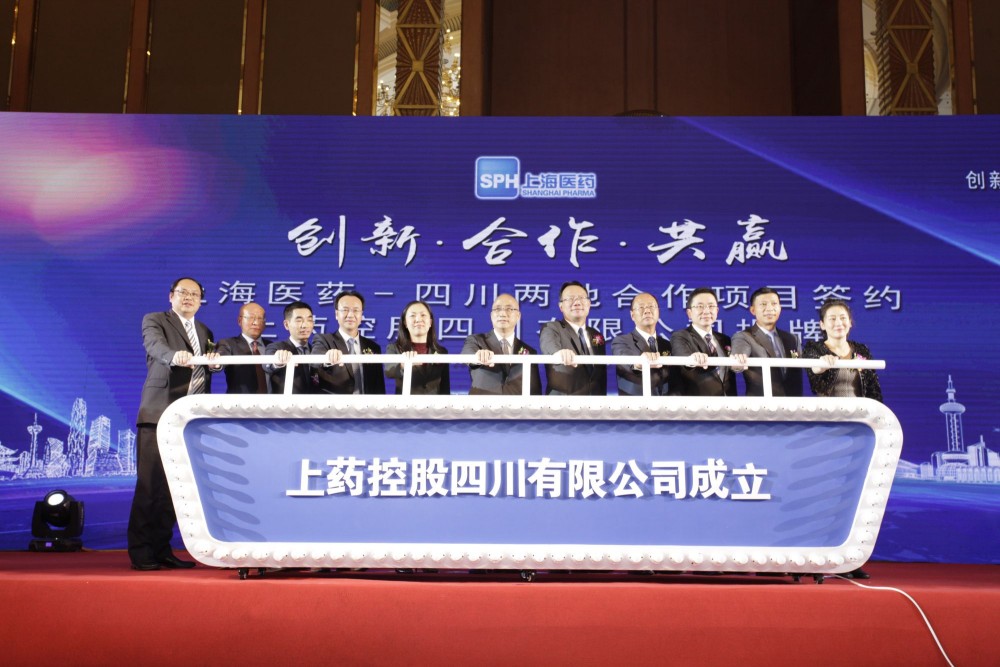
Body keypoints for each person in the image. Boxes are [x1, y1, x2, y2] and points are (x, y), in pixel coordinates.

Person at [128, 277, 218, 570]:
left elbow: (202, 369)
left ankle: (162, 549)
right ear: (171, 296)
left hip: (188, 420)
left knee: (175, 487)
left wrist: (214, 364)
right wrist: (174, 356)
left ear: (201, 301)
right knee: (150, 485)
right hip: (159, 414)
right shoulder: (155, 320)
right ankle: (141, 552)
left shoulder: (204, 330)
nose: (189, 298)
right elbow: (155, 347)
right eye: (183, 293)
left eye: (195, 294)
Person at [803, 297, 883, 580]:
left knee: (855, 495)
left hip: (859, 430)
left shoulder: (861, 350)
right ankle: (822, 557)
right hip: (829, 429)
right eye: (832, 319)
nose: (838, 323)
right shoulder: (814, 349)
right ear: (822, 324)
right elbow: (817, 382)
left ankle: (850, 559)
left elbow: (873, 389)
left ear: (851, 323)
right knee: (826, 493)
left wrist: (878, 422)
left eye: (843, 318)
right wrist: (824, 366)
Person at [461, 293, 542, 395]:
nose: (503, 313)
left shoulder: (529, 351)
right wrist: (478, 356)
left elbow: (535, 389)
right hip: (483, 404)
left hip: (517, 405)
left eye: (509, 309)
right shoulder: (476, 340)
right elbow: (467, 353)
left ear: (518, 316)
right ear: (491, 316)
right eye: (498, 309)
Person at [731, 287, 803, 397]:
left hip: (793, 404)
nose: (769, 309)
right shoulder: (744, 337)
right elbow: (738, 356)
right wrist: (738, 360)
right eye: (763, 304)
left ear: (780, 308)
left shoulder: (792, 338)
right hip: (761, 404)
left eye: (774, 304)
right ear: (753, 310)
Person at [539, 281, 607, 395]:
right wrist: (559, 353)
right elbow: (548, 344)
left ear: (589, 304)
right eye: (570, 299)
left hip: (594, 404)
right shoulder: (552, 328)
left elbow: (601, 375)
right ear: (561, 306)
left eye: (581, 298)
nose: (577, 303)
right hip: (563, 403)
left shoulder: (597, 335)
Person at [670, 287, 741, 396]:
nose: (706, 311)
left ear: (717, 311)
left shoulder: (725, 339)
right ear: (689, 313)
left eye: (711, 306)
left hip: (727, 403)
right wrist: (692, 358)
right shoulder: (680, 336)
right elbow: (682, 354)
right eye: (700, 306)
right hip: (697, 403)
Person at [311, 290, 386, 394]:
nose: (350, 315)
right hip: (336, 403)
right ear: (336, 314)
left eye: (356, 310)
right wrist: (327, 358)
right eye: (345, 310)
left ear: (361, 315)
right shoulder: (324, 340)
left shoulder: (373, 347)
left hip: (367, 404)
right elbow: (314, 362)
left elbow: (378, 385)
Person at [611, 292, 676, 396]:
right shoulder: (621, 341)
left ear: (658, 312)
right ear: (632, 315)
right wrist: (640, 361)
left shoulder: (667, 344)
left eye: (651, 306)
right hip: (635, 405)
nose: (647, 311)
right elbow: (625, 359)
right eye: (641, 307)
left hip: (666, 405)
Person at [385, 300, 450, 394]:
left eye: (423, 315)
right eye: (412, 315)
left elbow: (445, 387)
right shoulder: (394, 348)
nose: (418, 319)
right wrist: (403, 364)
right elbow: (389, 371)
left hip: (434, 403)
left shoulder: (441, 351)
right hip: (406, 403)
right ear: (405, 323)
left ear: (430, 322)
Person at [213, 302, 270, 394]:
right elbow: (221, 357)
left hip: (271, 402)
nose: (256, 323)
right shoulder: (229, 344)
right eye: (251, 318)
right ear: (240, 321)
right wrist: (216, 362)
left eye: (260, 318)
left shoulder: (271, 346)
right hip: (239, 402)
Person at [265, 301, 319, 394]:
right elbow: (267, 364)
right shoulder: (277, 347)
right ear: (286, 324)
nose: (304, 325)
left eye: (309, 320)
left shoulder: (316, 350)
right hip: (287, 402)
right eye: (299, 320)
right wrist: (278, 360)